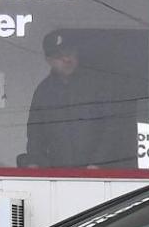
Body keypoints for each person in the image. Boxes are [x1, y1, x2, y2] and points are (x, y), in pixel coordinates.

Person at [25, 30, 134, 169]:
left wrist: (97, 163)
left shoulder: (99, 85)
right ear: (49, 60)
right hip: (58, 172)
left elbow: (112, 127)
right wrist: (34, 163)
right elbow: (35, 133)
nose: (67, 59)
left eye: (70, 53)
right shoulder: (43, 92)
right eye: (59, 56)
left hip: (102, 172)